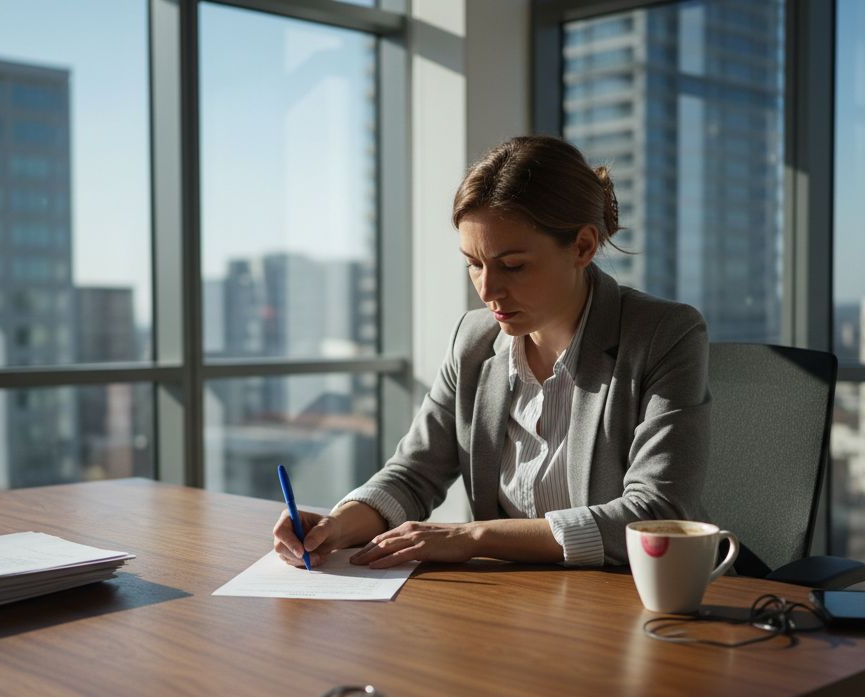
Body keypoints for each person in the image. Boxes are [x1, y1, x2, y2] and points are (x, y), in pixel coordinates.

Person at [273, 135, 710, 569]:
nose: (487, 290)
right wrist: (336, 526)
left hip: (631, 593)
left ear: (582, 247)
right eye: (474, 263)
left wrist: (474, 537)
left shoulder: (663, 335)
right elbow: (414, 473)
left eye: (513, 266)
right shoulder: (473, 341)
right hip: (510, 596)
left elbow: (656, 513)